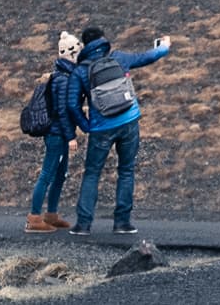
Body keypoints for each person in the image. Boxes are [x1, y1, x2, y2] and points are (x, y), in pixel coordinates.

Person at [66, 26, 172, 236]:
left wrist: (86, 126)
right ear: (103, 40)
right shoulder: (118, 58)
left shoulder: (81, 70)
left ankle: (84, 225)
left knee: (92, 174)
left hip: (101, 127)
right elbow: (146, 57)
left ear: (85, 45)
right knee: (126, 170)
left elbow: (71, 104)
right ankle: (122, 223)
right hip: (129, 120)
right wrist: (165, 47)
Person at [26, 31, 84, 231]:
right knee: (48, 174)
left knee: (60, 174)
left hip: (59, 132)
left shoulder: (64, 75)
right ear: (71, 53)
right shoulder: (65, 79)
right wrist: (70, 136)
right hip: (57, 134)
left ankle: (51, 215)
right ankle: (34, 218)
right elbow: (62, 110)